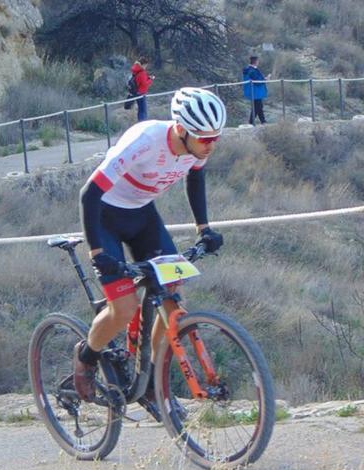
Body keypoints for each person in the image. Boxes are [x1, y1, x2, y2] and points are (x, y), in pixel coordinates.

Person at [75, 87, 226, 415]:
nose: (211, 144)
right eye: (205, 138)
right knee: (125, 308)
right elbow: (89, 194)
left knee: (173, 301)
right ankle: (86, 357)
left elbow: (195, 180)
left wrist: (204, 229)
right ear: (182, 130)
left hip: (143, 217)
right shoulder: (144, 141)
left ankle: (153, 382)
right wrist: (97, 251)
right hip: (106, 218)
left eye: (216, 137)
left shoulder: (196, 145)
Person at [243, 55, 268, 125]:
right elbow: (257, 81)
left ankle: (263, 121)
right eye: (258, 61)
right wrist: (265, 79)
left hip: (253, 91)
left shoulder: (248, 69)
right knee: (257, 106)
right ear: (255, 61)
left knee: (259, 106)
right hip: (255, 91)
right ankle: (251, 122)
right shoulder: (252, 70)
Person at [131, 57, 155, 122]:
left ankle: (140, 122)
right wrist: (151, 79)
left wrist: (147, 77)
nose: (146, 67)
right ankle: (143, 123)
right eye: (146, 65)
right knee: (143, 110)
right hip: (141, 93)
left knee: (140, 109)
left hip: (137, 91)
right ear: (143, 64)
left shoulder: (136, 70)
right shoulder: (141, 72)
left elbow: (140, 80)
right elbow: (144, 84)